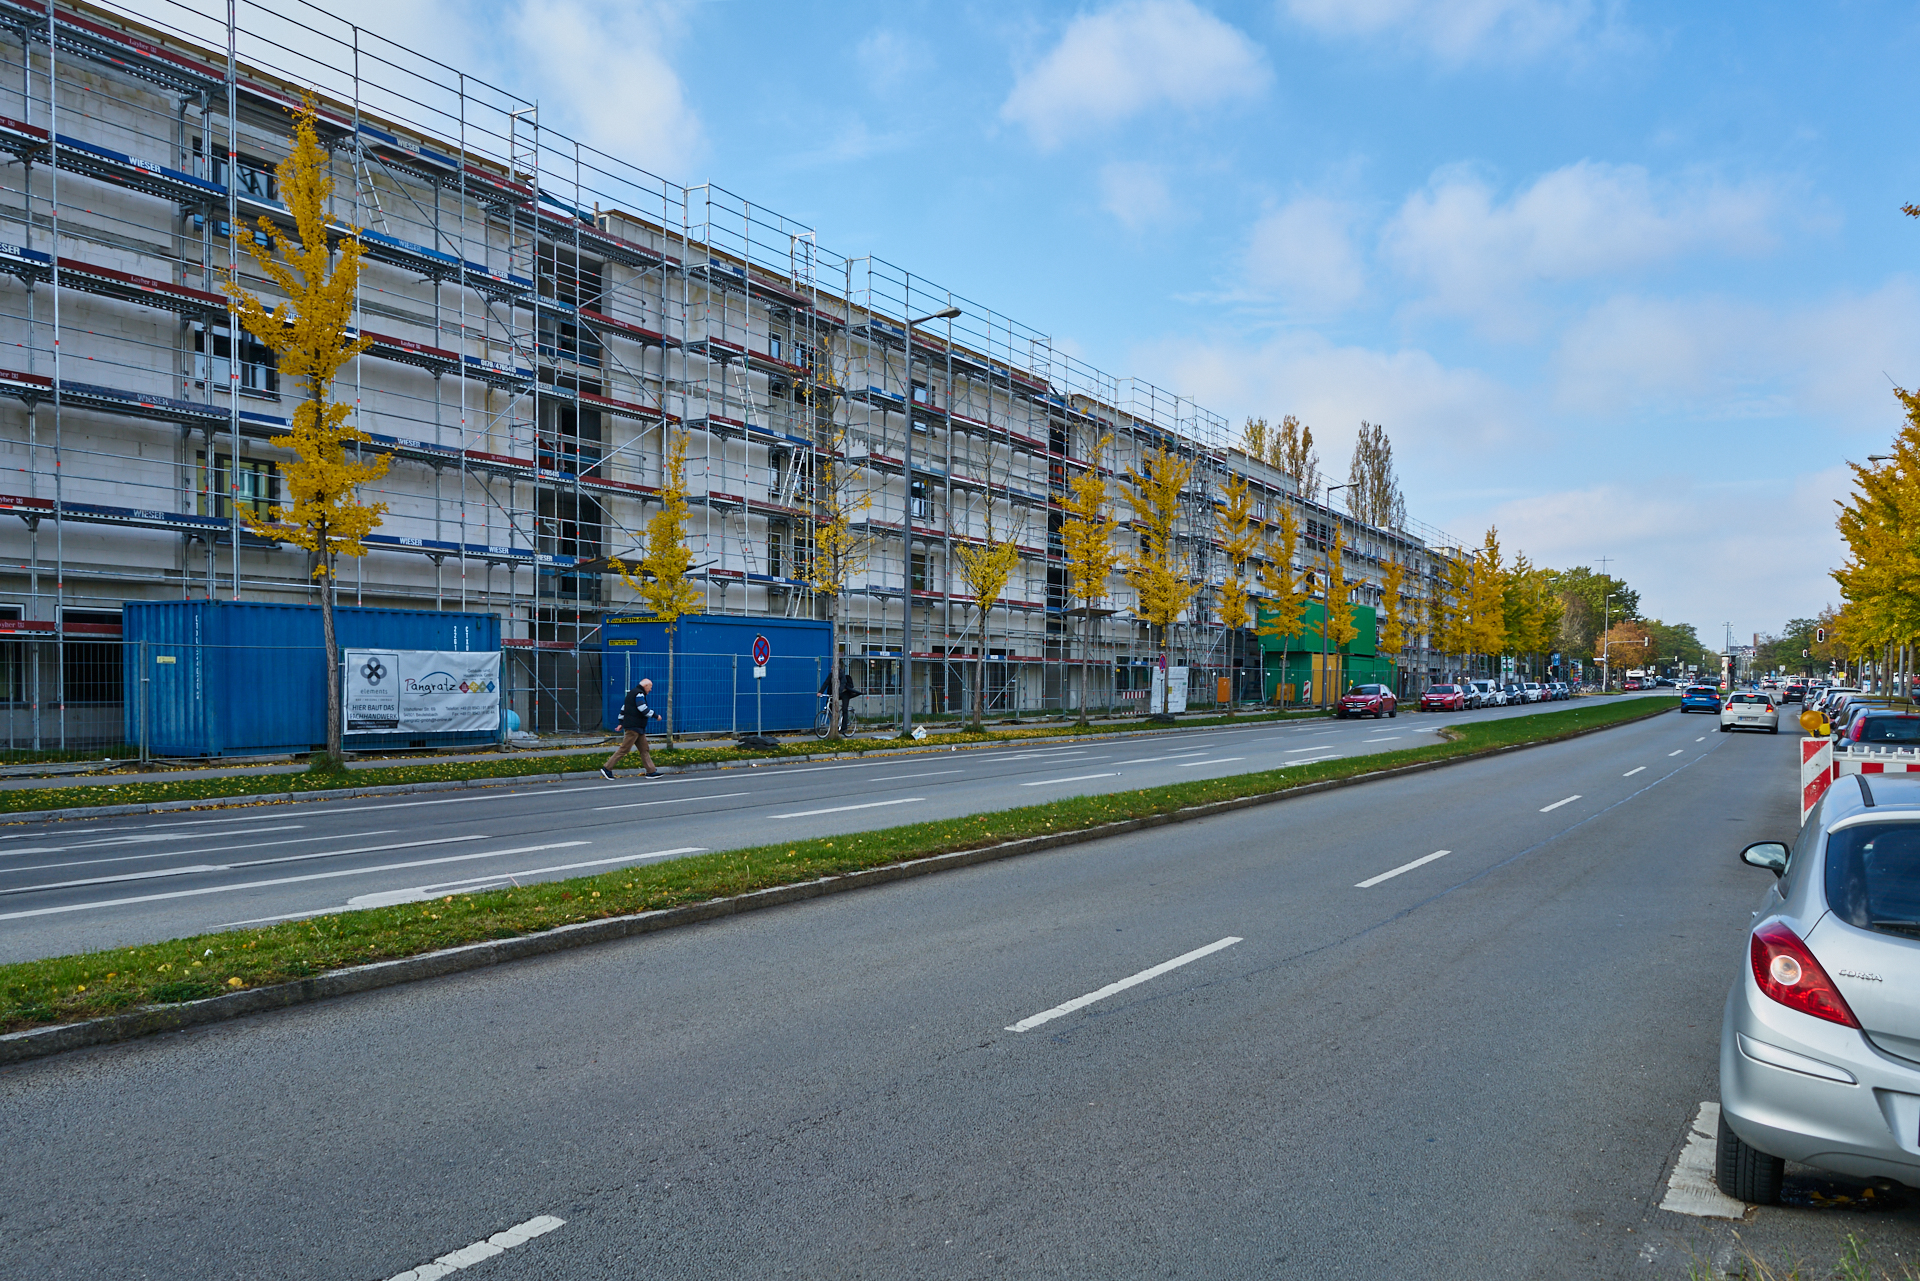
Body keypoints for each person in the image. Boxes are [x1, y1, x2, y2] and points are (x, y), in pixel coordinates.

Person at [601, 676, 663, 779]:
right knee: (624, 749)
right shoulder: (639, 694)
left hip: (638, 728)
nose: (651, 690)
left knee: (644, 749)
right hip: (634, 727)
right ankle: (607, 768)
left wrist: (621, 722)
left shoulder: (631, 693)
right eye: (650, 687)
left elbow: (624, 708)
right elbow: (642, 708)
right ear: (646, 686)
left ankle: (651, 771)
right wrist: (656, 716)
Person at [819, 667, 865, 734]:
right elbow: (826, 683)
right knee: (829, 703)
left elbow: (843, 684)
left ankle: (844, 728)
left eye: (833, 668)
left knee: (844, 709)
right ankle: (835, 717)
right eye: (831, 668)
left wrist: (838, 692)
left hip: (845, 693)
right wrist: (821, 692)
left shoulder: (841, 674)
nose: (831, 669)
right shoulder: (831, 675)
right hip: (836, 693)